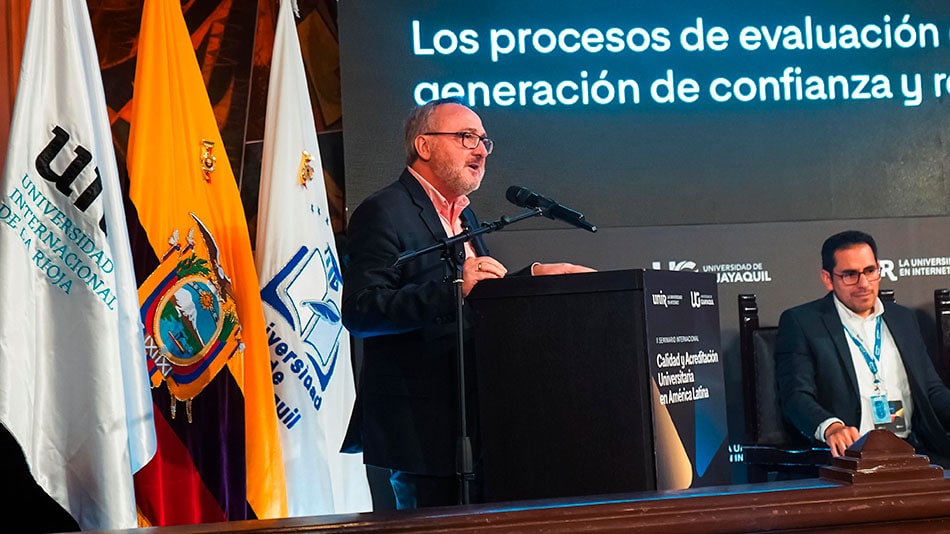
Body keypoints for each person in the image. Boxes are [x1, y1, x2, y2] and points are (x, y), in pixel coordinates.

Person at [339, 97, 592, 509]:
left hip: (480, 418)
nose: (480, 150)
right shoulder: (383, 212)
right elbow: (362, 311)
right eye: (466, 137)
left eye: (484, 141)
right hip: (424, 431)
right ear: (424, 146)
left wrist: (531, 278)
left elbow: (474, 296)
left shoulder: (465, 216)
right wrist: (453, 290)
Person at [775, 230, 950, 466]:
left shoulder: (903, 319)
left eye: (870, 271)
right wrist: (831, 427)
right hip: (848, 457)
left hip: (913, 451)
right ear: (828, 278)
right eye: (850, 275)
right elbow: (796, 397)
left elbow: (931, 390)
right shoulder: (802, 323)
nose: (863, 284)